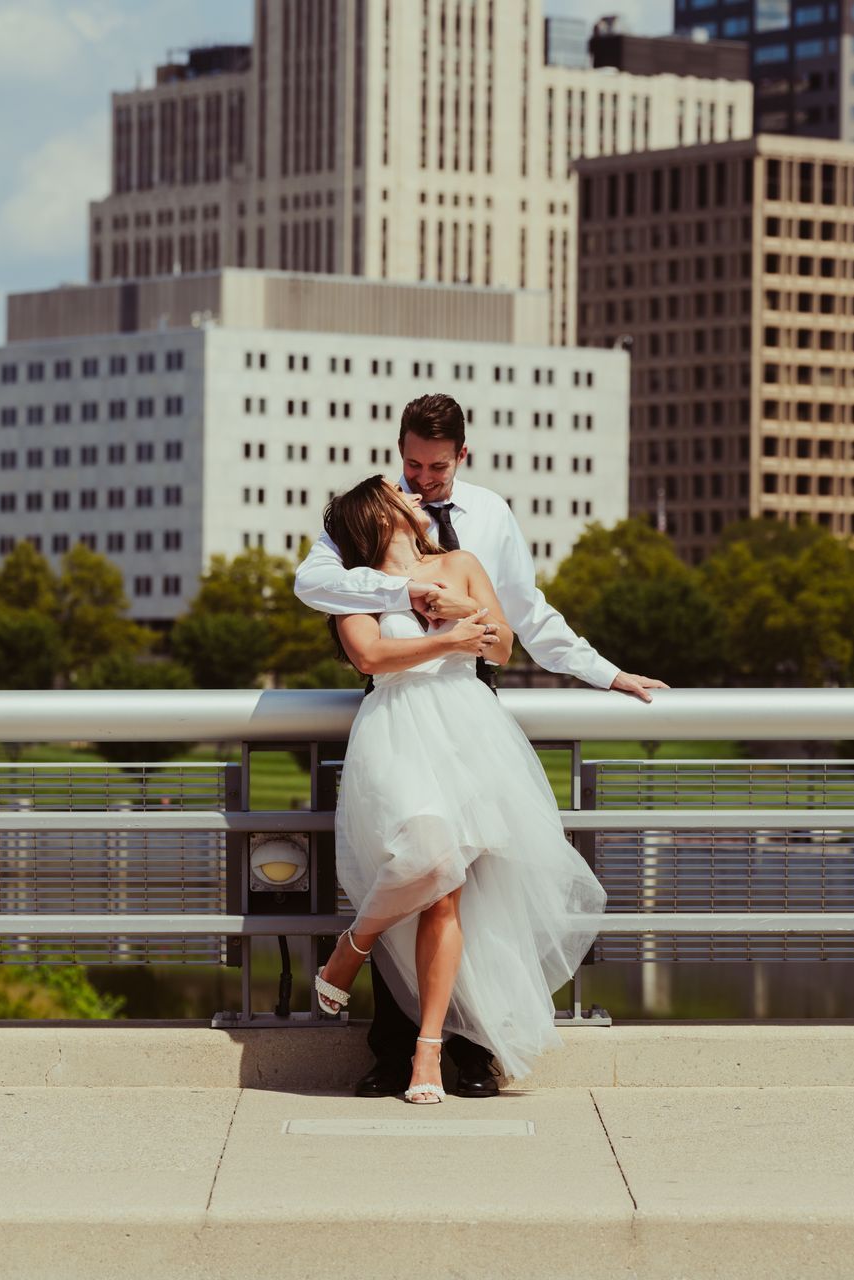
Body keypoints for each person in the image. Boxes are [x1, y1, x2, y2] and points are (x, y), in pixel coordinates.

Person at [295, 393, 668, 1098]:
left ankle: (466, 1048)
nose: (422, 478)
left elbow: (526, 614)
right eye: (411, 463)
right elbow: (312, 584)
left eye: (436, 467)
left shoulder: (490, 517)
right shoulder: (362, 519)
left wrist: (606, 673)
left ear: (461, 456)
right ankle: (390, 1047)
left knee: (470, 887)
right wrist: (407, 593)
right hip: (401, 713)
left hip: (470, 710)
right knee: (408, 862)